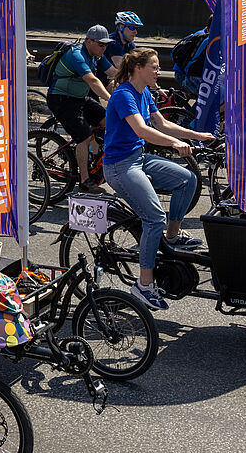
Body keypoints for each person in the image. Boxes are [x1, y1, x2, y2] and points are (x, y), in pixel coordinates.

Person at [102, 49, 213, 310]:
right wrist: (175, 144)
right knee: (154, 218)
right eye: (153, 66)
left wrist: (197, 136)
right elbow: (142, 129)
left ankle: (172, 237)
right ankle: (144, 284)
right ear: (138, 68)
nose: (158, 71)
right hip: (119, 166)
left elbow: (162, 124)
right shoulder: (123, 94)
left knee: (187, 179)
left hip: (138, 158)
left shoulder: (145, 93)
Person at [47, 25, 113, 193]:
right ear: (89, 41)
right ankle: (84, 181)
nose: (104, 48)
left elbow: (114, 72)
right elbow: (93, 81)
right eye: (101, 44)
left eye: (106, 45)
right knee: (83, 138)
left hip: (79, 98)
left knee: (109, 120)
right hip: (61, 99)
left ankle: (95, 155)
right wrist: (111, 99)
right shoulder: (77, 55)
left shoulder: (97, 55)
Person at [103, 11, 143, 80]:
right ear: (121, 27)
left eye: (136, 28)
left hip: (115, 77)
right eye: (132, 28)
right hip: (104, 78)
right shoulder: (113, 42)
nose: (135, 32)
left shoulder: (130, 44)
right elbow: (121, 68)